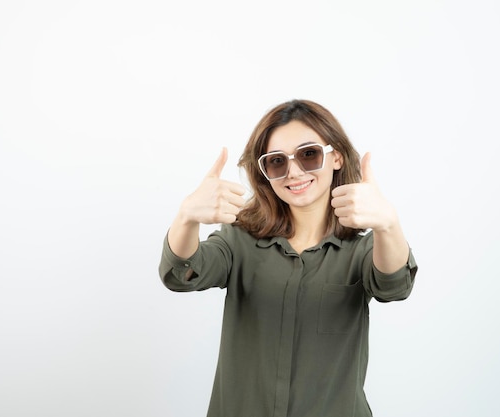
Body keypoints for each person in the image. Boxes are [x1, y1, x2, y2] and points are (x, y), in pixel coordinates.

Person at [158, 99, 418, 417]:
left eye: (309, 154)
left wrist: (388, 224)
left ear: (335, 156)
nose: (293, 172)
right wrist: (186, 217)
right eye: (277, 161)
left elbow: (394, 286)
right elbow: (181, 274)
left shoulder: (363, 250)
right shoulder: (239, 240)